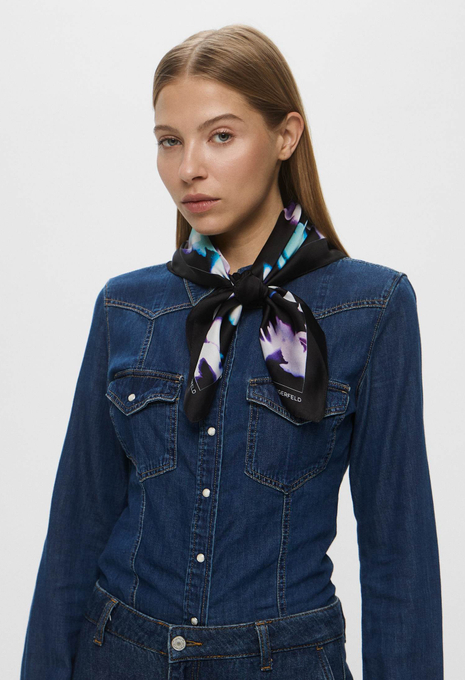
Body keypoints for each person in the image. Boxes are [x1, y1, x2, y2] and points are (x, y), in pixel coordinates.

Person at [20, 24, 443, 680]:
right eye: (169, 140)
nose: (188, 167)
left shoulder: (372, 306)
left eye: (220, 136)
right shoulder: (125, 306)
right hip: (119, 656)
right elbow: (75, 532)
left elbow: (398, 556)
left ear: (285, 135)